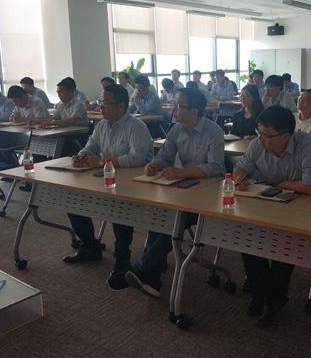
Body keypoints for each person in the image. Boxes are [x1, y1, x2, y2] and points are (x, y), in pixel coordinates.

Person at [124, 88, 225, 297]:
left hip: (209, 194)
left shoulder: (214, 131)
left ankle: (144, 267)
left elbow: (216, 167)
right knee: (160, 213)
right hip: (186, 189)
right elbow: (165, 156)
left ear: (194, 111)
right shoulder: (176, 129)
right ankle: (151, 274)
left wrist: (183, 172)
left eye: (179, 106)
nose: (174, 109)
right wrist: (155, 164)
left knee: (178, 218)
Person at [233, 106, 311, 323]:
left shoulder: (306, 144)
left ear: (285, 136)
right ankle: (260, 291)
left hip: (300, 208)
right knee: (247, 234)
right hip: (267, 202)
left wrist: (279, 184)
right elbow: (241, 168)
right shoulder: (258, 144)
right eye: (259, 132)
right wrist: (239, 179)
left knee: (284, 240)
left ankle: (274, 296)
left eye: (266, 134)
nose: (260, 138)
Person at [63, 84, 154, 291]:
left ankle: (122, 258)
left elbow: (137, 158)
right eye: (100, 102)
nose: (101, 106)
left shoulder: (136, 126)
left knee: (118, 207)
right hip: (107, 177)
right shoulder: (102, 125)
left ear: (121, 106)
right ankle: (90, 247)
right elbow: (91, 145)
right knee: (72, 197)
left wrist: (101, 161)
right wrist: (82, 155)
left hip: (134, 183)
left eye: (106, 103)